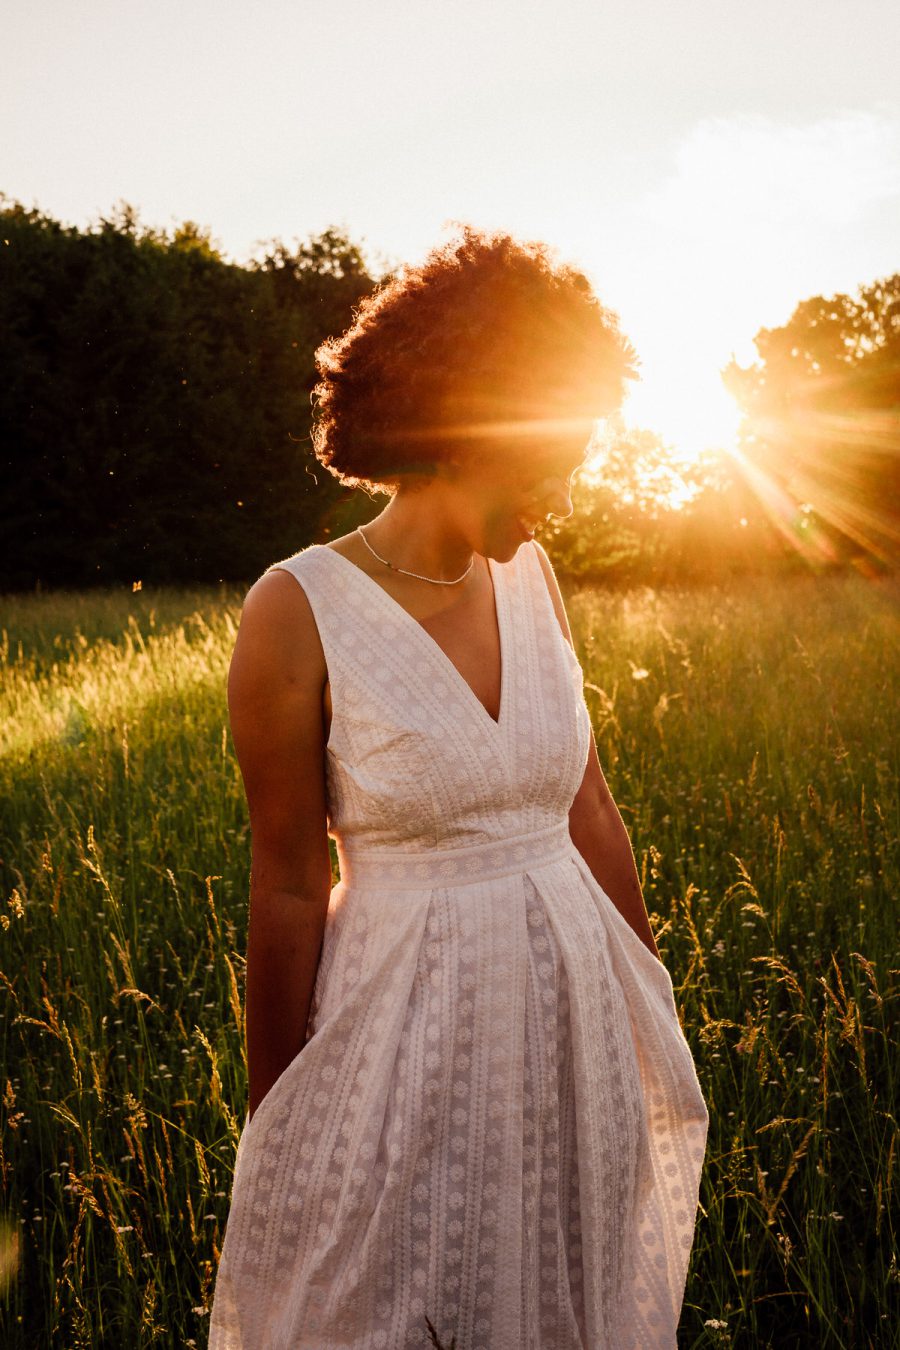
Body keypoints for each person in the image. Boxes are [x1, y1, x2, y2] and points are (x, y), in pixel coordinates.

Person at [208, 227, 708, 1349]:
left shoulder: (532, 576)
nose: (565, 494)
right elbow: (287, 882)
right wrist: (276, 1115)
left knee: (560, 1296)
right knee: (389, 1300)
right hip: (404, 1036)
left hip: (576, 1022)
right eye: (551, 458)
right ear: (465, 424)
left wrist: (646, 1005)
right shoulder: (297, 611)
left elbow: (588, 813)